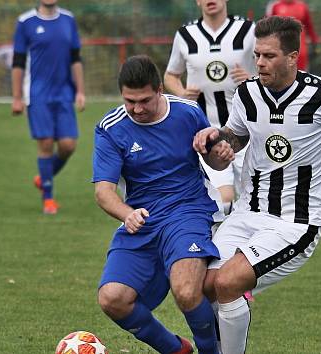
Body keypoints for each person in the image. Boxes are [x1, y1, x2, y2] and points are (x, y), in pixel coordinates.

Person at [193, 16, 321, 353]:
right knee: (204, 285)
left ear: (293, 57)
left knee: (227, 281)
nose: (261, 63)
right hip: (246, 213)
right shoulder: (248, 93)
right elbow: (234, 138)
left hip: (295, 223)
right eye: (258, 55)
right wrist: (217, 142)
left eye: (269, 56)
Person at [93, 55, 232, 354]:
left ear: (159, 90)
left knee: (186, 291)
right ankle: (174, 349)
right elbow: (103, 191)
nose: (137, 109)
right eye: (130, 101)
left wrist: (219, 151)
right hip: (142, 218)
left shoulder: (187, 112)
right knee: (112, 298)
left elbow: (212, 158)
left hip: (188, 209)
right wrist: (126, 213)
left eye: (144, 100)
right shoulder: (110, 127)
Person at [164, 0, 256, 215]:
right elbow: (171, 75)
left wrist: (253, 79)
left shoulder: (248, 31)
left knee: (254, 199)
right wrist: (182, 94)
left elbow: (271, 70)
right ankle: (222, 246)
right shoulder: (186, 35)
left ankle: (251, 246)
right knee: (222, 201)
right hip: (206, 134)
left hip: (247, 131)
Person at [11, 0, 85, 214]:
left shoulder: (68, 20)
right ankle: (49, 199)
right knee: (45, 143)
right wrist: (17, 97)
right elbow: (18, 62)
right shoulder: (25, 22)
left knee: (68, 145)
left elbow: (75, 58)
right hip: (38, 94)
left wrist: (80, 90)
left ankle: (43, 177)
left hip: (64, 94)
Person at [265, 0, 319, 72]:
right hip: (280, 50)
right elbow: (268, 27)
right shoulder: (275, 6)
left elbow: (310, 27)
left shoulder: (302, 6)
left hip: (301, 51)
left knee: (301, 76)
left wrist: (315, 44)